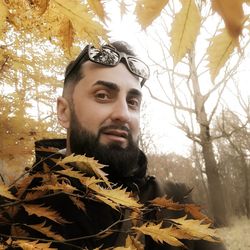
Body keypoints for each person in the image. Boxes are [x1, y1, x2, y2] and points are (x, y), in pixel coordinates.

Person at [0, 41, 226, 249]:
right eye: (102, 95)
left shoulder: (176, 206)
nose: (123, 114)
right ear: (64, 111)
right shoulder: (13, 210)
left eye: (133, 102)